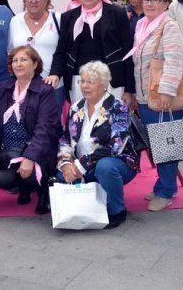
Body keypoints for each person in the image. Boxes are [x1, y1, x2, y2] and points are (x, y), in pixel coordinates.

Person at [57, 61, 139, 229]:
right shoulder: (75, 108)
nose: (85, 86)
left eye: (90, 82)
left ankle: (117, 210)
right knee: (60, 176)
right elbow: (65, 139)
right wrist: (66, 164)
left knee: (105, 168)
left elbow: (116, 145)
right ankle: (89, 202)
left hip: (119, 162)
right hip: (84, 164)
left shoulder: (118, 107)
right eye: (82, 81)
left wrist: (81, 165)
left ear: (104, 84)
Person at [127, 0, 183, 212]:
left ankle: (167, 191)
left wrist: (166, 93)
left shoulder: (169, 26)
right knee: (156, 143)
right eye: (146, 0)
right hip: (144, 95)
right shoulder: (142, 24)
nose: (149, 4)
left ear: (165, 4)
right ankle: (163, 183)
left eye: (155, 0)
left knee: (167, 143)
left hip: (162, 96)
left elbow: (174, 61)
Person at [46, 0, 135, 108]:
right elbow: (61, 51)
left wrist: (130, 90)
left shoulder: (117, 13)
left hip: (111, 82)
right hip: (79, 82)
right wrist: (55, 73)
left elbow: (128, 52)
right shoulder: (68, 17)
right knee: (82, 126)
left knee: (110, 127)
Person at [0, 46, 61, 214]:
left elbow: (44, 129)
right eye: (15, 60)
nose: (18, 64)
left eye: (24, 60)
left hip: (36, 150)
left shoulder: (45, 91)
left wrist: (30, 157)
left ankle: (44, 191)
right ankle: (23, 186)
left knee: (25, 164)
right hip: (7, 149)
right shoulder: (4, 88)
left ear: (35, 64)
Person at [8, 0, 64, 108]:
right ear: (24, 1)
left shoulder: (58, 19)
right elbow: (11, 51)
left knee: (51, 125)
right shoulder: (15, 21)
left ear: (46, 0)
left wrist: (56, 73)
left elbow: (64, 51)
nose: (33, 1)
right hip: (23, 85)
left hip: (52, 86)